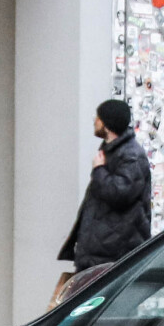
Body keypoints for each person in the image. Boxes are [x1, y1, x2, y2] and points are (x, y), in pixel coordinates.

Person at [58, 97, 152, 286]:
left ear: (107, 124)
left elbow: (120, 193)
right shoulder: (114, 152)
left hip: (112, 257)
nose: (95, 120)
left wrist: (99, 170)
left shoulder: (131, 155)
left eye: (98, 117)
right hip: (101, 254)